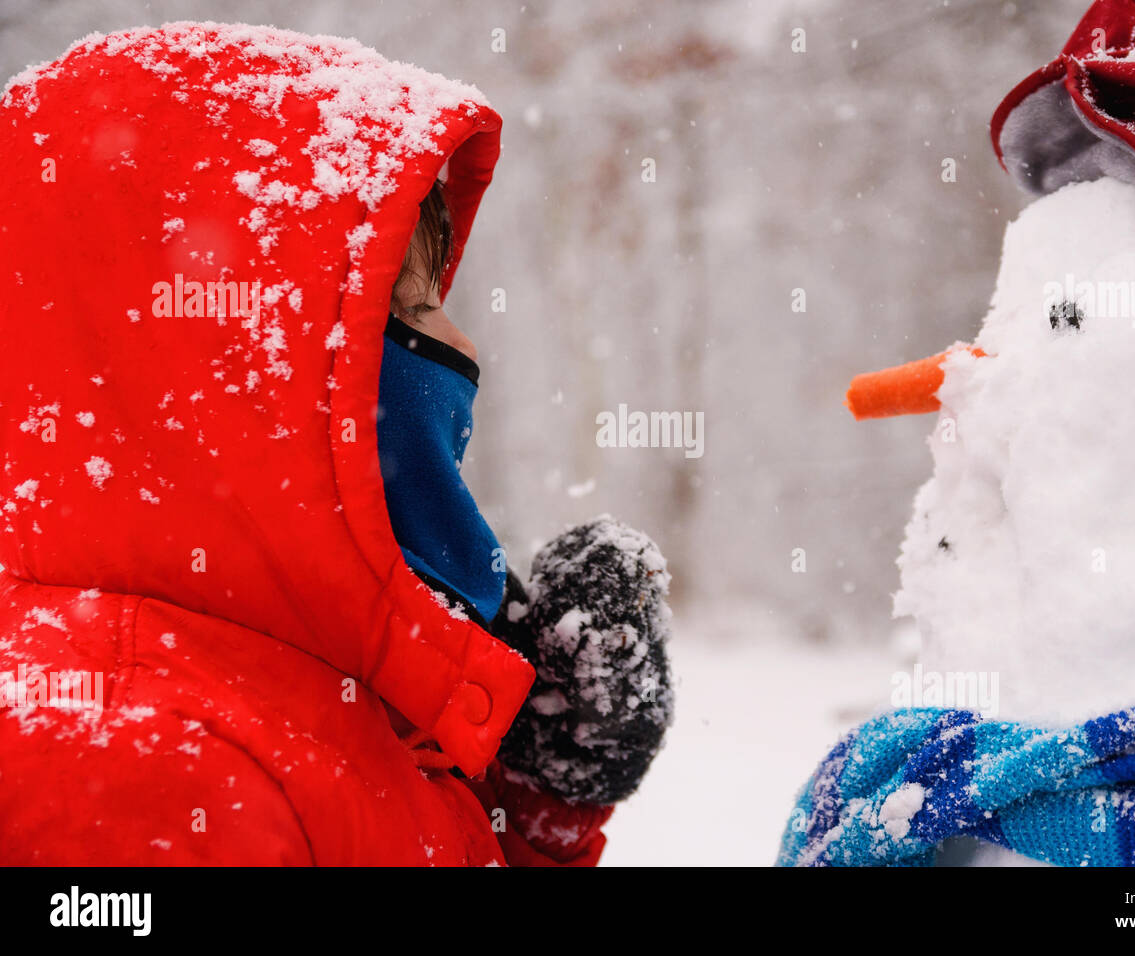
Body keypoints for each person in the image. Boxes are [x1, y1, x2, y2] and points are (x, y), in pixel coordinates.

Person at [0, 23, 670, 866]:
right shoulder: (134, 773)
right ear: (246, 380)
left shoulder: (307, 711)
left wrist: (536, 812)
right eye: (415, 311)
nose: (459, 347)